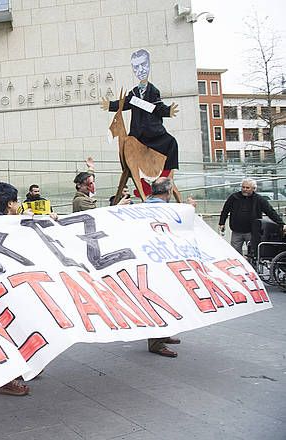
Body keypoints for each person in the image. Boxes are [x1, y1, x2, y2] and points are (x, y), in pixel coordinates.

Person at [101, 49, 179, 195]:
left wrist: (168, 111)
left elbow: (158, 107)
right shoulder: (134, 93)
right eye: (136, 67)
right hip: (138, 134)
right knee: (130, 156)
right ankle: (142, 186)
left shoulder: (153, 91)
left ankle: (164, 176)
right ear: (133, 69)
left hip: (154, 133)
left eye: (143, 65)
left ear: (148, 65)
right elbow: (123, 103)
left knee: (172, 143)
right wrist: (110, 106)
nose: (140, 70)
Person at [0, 182, 32, 396]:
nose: (18, 205)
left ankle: (19, 368)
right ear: (10, 203)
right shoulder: (0, 223)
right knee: (7, 330)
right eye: (16, 201)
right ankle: (6, 378)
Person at [143, 177, 183, 358]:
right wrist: (189, 210)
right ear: (168, 191)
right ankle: (156, 342)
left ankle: (163, 334)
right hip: (159, 261)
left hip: (151, 259)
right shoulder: (164, 209)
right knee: (160, 300)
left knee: (162, 299)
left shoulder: (142, 206)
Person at [218, 178, 285, 255]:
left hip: (252, 232)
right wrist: (221, 223)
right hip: (236, 231)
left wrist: (281, 223)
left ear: (254, 188)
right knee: (235, 253)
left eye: (247, 188)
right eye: (243, 187)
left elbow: (270, 212)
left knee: (253, 253)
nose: (245, 189)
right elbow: (225, 210)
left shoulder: (259, 199)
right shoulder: (234, 197)